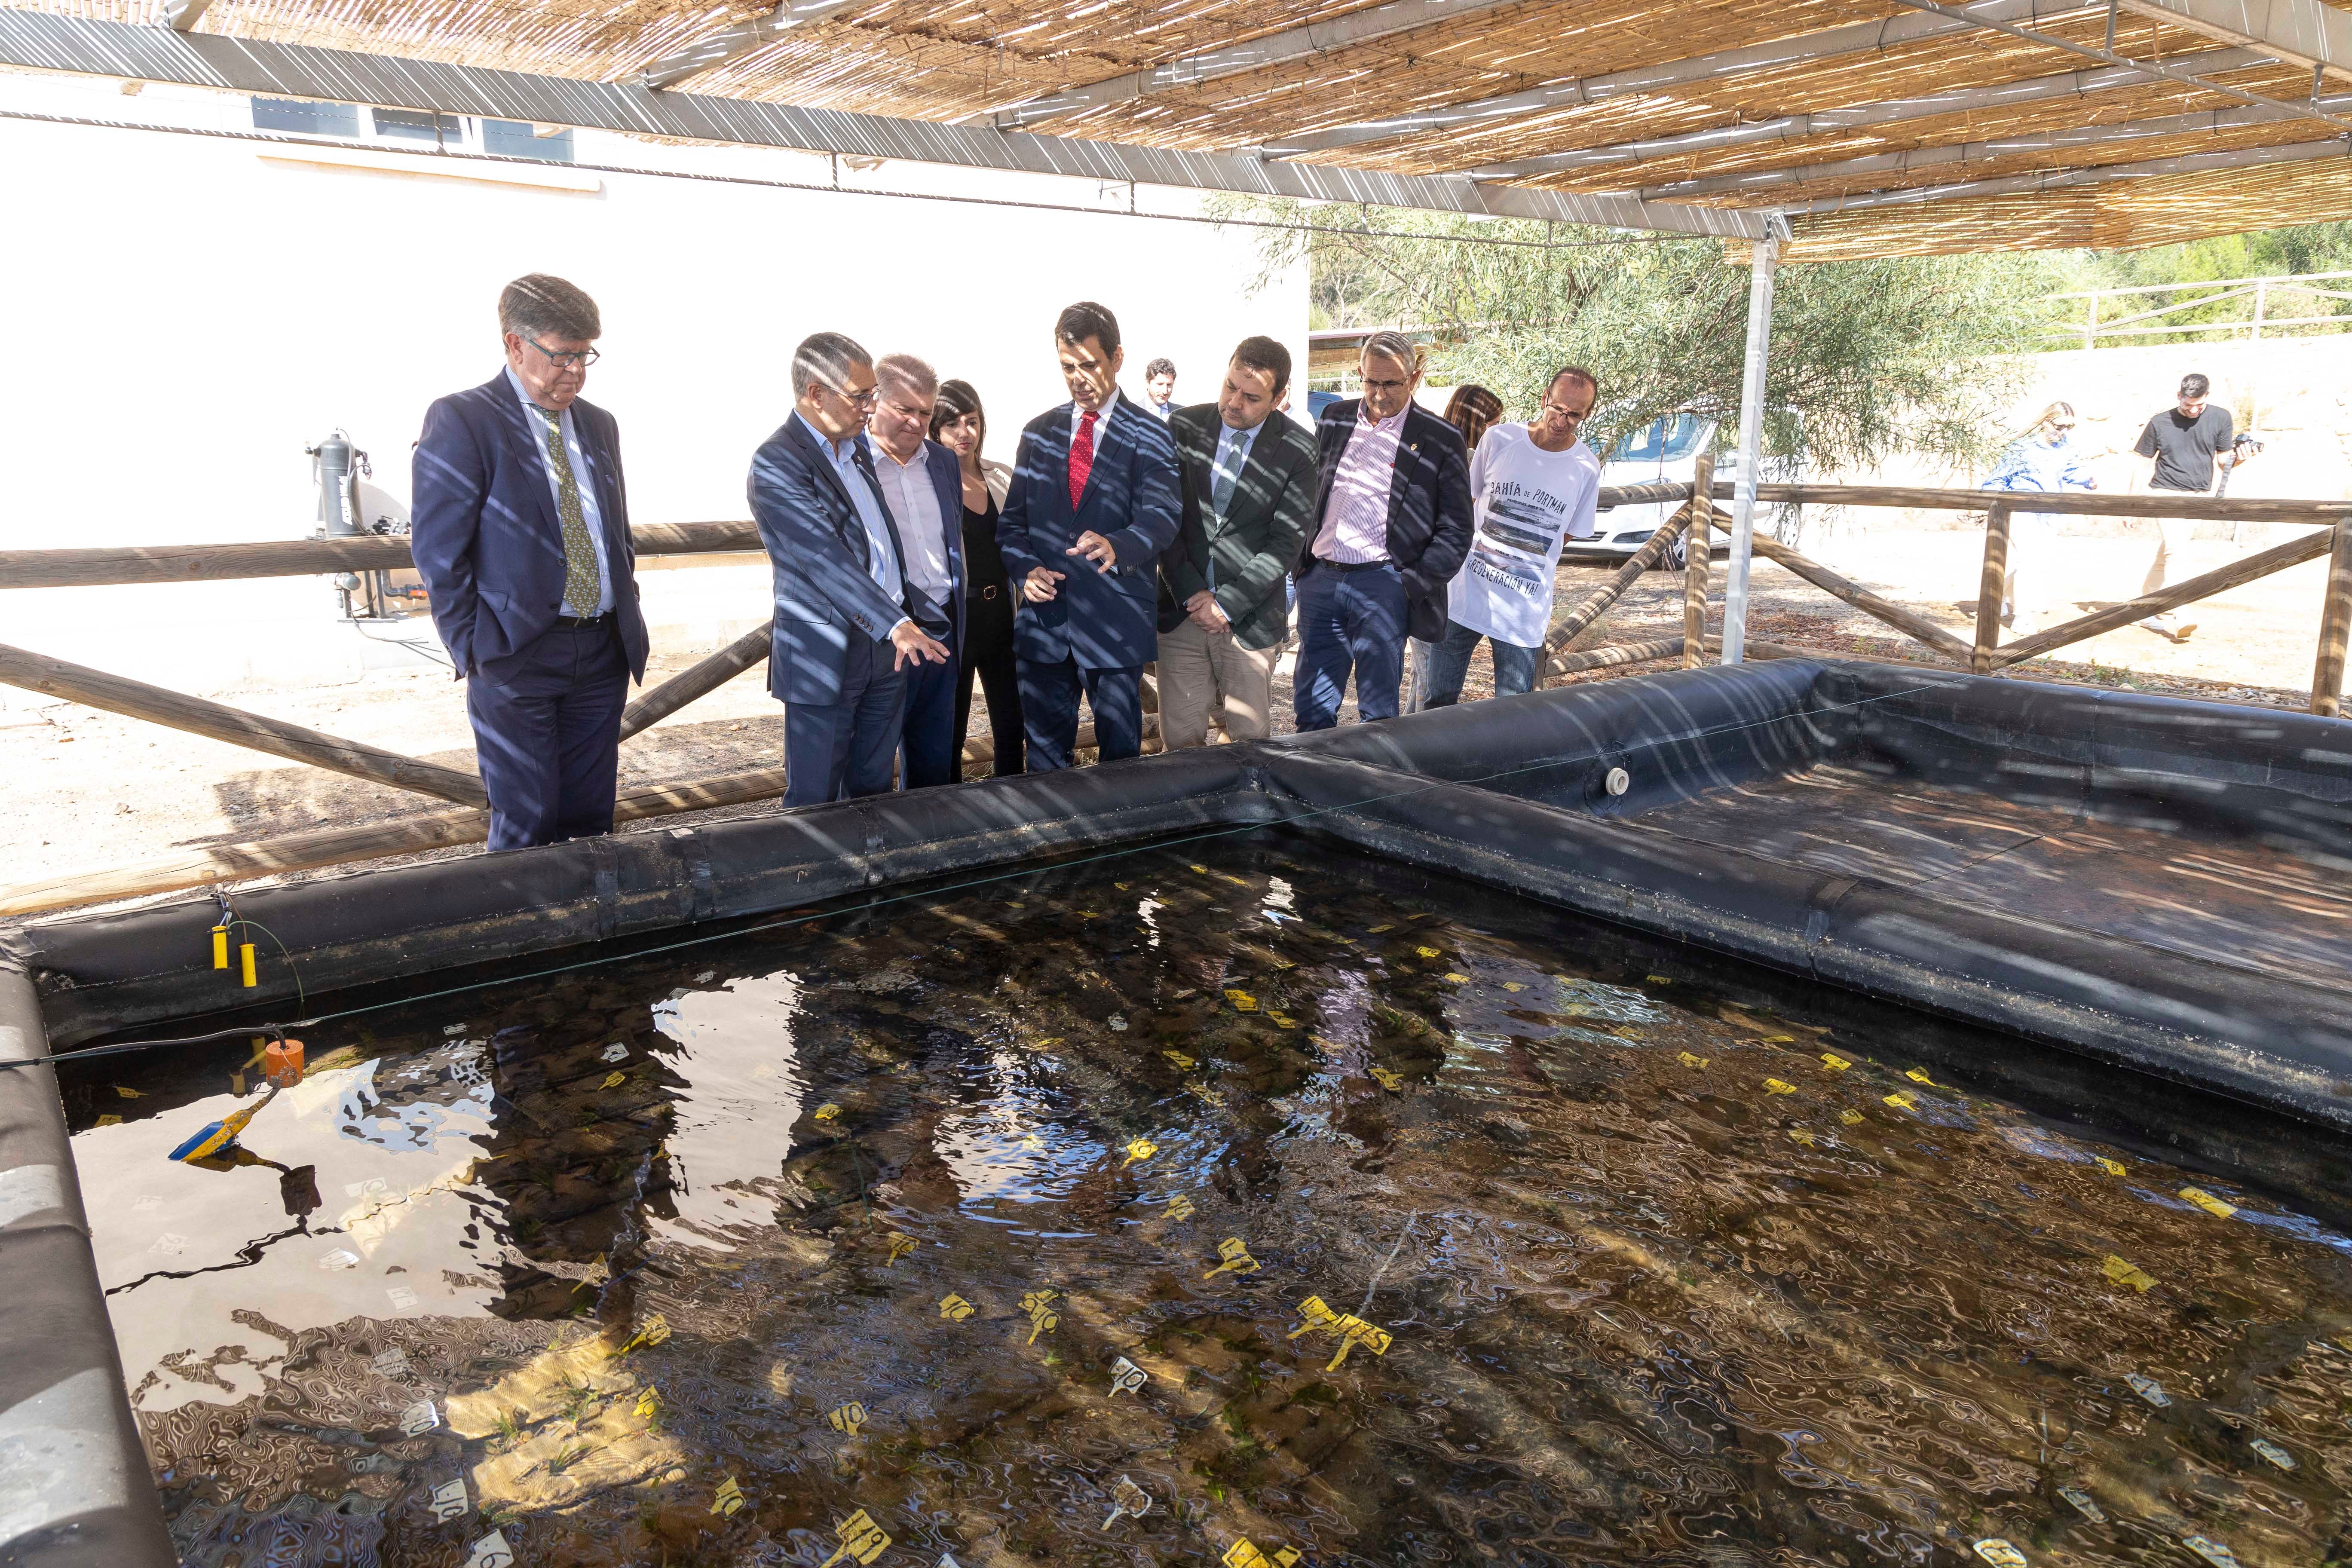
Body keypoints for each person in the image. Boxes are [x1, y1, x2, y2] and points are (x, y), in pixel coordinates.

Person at [411, 274, 649, 851]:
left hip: (601, 651)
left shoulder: (599, 424)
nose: (574, 370)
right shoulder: (464, 419)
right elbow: (438, 551)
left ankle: (590, 932)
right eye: (560, 355)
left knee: (591, 816)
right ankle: (533, 934)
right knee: (526, 820)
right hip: (516, 653)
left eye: (585, 355)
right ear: (515, 346)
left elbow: (612, 532)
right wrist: (472, 646)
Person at [749, 332, 950, 808]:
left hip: (886, 650)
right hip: (827, 651)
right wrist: (895, 623)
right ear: (817, 394)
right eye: (861, 397)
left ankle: (871, 882)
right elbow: (821, 556)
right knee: (816, 799)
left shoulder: (857, 450)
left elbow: (878, 541)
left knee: (872, 790)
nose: (869, 408)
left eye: (872, 396)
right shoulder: (777, 462)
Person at [999, 301, 1183, 771]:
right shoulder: (1037, 434)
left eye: (1090, 365)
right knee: (1042, 759)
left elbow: (1163, 516)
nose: (1079, 378)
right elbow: (1012, 525)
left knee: (1122, 760)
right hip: (1045, 628)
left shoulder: (1150, 434)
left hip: (1114, 623)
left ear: (1117, 358)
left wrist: (1119, 545)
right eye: (1067, 367)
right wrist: (1025, 570)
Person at [1292, 332, 1473, 731]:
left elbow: (1458, 529)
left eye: (1391, 383)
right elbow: (1311, 492)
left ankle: (1372, 789)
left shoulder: (1440, 439)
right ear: (1360, 373)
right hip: (1321, 580)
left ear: (1415, 378)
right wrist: (1301, 565)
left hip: (1383, 586)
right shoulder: (1335, 418)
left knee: (1377, 715)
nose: (1379, 394)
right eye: (1371, 381)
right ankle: (1310, 786)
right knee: (1311, 708)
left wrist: (1408, 584)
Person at [1155, 336, 1317, 749]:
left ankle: (1248, 817)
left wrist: (1226, 605)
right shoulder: (1184, 427)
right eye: (1230, 386)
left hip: (1250, 621)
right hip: (1183, 613)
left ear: (1279, 397)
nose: (1234, 402)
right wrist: (1194, 593)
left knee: (1250, 745)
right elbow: (1165, 519)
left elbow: (1285, 544)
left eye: (1251, 397)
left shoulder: (1299, 449)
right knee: (1180, 742)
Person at [1425, 368, 1602, 707]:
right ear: (1544, 399)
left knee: (1513, 714)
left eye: (1575, 415)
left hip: (1523, 611)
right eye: (1558, 408)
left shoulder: (1586, 467)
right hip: (1465, 596)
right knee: (1438, 701)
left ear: (1586, 415)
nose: (1562, 420)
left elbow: (1565, 534)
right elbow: (1473, 502)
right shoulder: (1499, 440)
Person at [865, 353, 966, 790]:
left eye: (925, 412)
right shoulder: (851, 464)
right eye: (904, 410)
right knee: (868, 769)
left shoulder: (943, 462)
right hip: (883, 639)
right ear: (874, 402)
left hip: (943, 635)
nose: (916, 422)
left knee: (933, 768)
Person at [931, 379, 1024, 777]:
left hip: (1002, 614)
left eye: (972, 422)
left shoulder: (1001, 476)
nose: (964, 432)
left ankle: (1014, 805)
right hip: (956, 619)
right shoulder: (927, 483)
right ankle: (948, 813)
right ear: (936, 430)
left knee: (1012, 721)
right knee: (951, 726)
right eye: (952, 424)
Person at [1405, 383, 1507, 710]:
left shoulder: (1430, 448)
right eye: (1494, 422)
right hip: (1448, 578)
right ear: (1480, 421)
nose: (1498, 429)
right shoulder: (1470, 459)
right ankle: (1420, 746)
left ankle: (1406, 738)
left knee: (1422, 674)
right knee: (1430, 677)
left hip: (1421, 568)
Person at [2131, 373, 2251, 642]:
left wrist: (2240, 458)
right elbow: (2142, 463)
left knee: (2167, 554)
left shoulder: (2221, 418)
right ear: (2179, 396)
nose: (2194, 410)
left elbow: (2223, 461)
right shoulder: (2160, 422)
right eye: (2188, 405)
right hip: (2164, 493)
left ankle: (2143, 607)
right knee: (2177, 552)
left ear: (2207, 397)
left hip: (2199, 495)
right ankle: (2180, 610)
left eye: (2199, 405)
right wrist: (2133, 504)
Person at [1982, 400, 2096, 636]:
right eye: (2060, 426)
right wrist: (1992, 502)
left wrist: (2088, 479)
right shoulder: (2021, 448)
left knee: (2033, 561)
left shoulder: (2066, 447)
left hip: (2050, 512)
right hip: (2020, 510)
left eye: (2069, 427)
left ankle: (1995, 596)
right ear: (2046, 422)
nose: (2064, 432)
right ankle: (2022, 618)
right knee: (2030, 561)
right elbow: (1996, 479)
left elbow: (2072, 470)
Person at [1144, 358, 1178, 422]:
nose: (1165, 391)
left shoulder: (1182, 414)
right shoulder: (1130, 412)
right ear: (1148, 383)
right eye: (1160, 384)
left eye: (1169, 385)